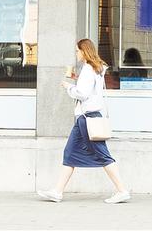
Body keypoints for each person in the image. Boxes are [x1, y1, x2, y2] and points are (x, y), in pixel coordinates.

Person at [37, 39, 131, 204]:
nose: (76, 54)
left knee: (103, 155)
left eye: (77, 51)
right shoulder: (96, 68)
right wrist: (77, 78)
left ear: (84, 51)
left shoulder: (88, 69)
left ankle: (122, 191)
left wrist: (68, 86)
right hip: (85, 118)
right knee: (69, 153)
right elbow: (90, 88)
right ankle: (57, 191)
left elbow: (83, 93)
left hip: (88, 119)